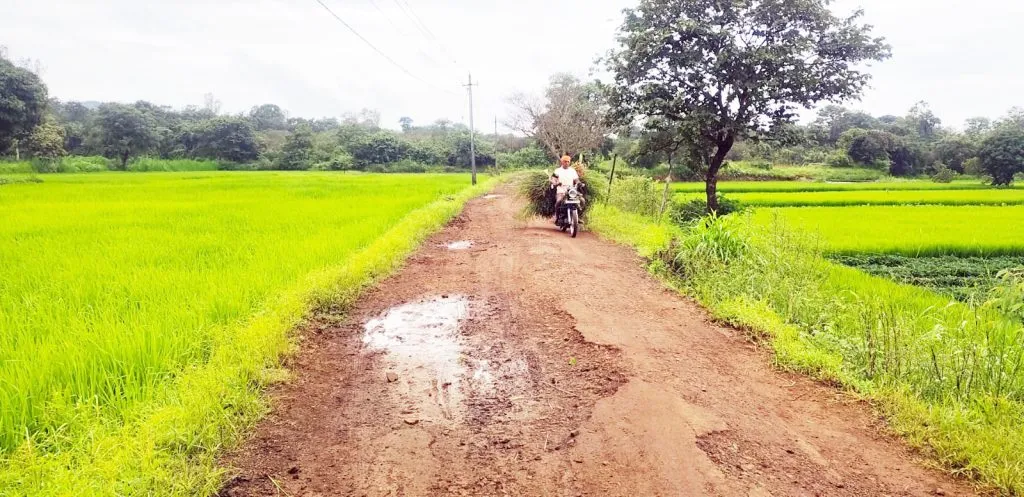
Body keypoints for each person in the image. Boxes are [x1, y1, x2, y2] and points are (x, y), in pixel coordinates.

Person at [551, 155, 580, 221]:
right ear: (562, 162)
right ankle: (557, 217)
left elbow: (576, 179)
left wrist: (579, 183)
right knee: (558, 202)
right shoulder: (557, 171)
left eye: (568, 162)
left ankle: (578, 216)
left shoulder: (572, 171)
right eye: (565, 161)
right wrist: (556, 183)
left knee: (581, 201)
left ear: (569, 162)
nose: (566, 163)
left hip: (571, 191)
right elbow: (553, 179)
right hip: (561, 190)